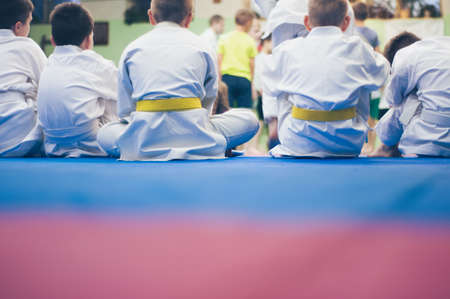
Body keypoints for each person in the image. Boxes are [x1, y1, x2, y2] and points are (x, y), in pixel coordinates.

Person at [97, 0, 259, 161]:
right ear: (189, 18)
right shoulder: (203, 47)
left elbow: (125, 109)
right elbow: (209, 98)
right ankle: (204, 145)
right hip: (196, 133)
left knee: (104, 133)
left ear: (151, 16)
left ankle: (145, 147)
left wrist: (140, 124)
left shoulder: (132, 49)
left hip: (144, 136)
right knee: (250, 120)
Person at [262, 0, 389, 158]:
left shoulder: (288, 49)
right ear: (347, 22)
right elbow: (383, 74)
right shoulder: (358, 48)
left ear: (307, 22)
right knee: (366, 80)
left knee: (279, 83)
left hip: (298, 141)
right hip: (348, 142)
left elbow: (267, 85)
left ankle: (281, 128)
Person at [37, 3, 118, 157]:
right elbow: (126, 92)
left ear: (53, 41)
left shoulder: (48, 64)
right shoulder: (94, 63)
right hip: (93, 146)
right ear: (88, 40)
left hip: (54, 146)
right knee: (115, 94)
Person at [373, 33, 450, 157]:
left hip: (428, 144)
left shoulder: (404, 56)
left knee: (409, 101)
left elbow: (393, 100)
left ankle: (387, 147)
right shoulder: (439, 47)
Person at [0, 0, 47, 157]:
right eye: (29, 23)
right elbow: (49, 86)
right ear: (18, 26)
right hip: (16, 138)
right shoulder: (26, 46)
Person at [352, 1, 381, 155]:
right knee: (372, 119)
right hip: (371, 81)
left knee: (356, 116)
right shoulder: (372, 34)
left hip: (356, 82)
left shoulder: (349, 34)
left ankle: (359, 147)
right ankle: (371, 147)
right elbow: (378, 57)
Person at [217, 9, 258, 109]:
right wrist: (252, 83)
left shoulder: (224, 38)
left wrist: (219, 80)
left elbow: (219, 61)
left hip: (227, 79)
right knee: (244, 113)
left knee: (226, 111)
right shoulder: (250, 41)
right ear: (248, 23)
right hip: (244, 80)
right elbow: (252, 65)